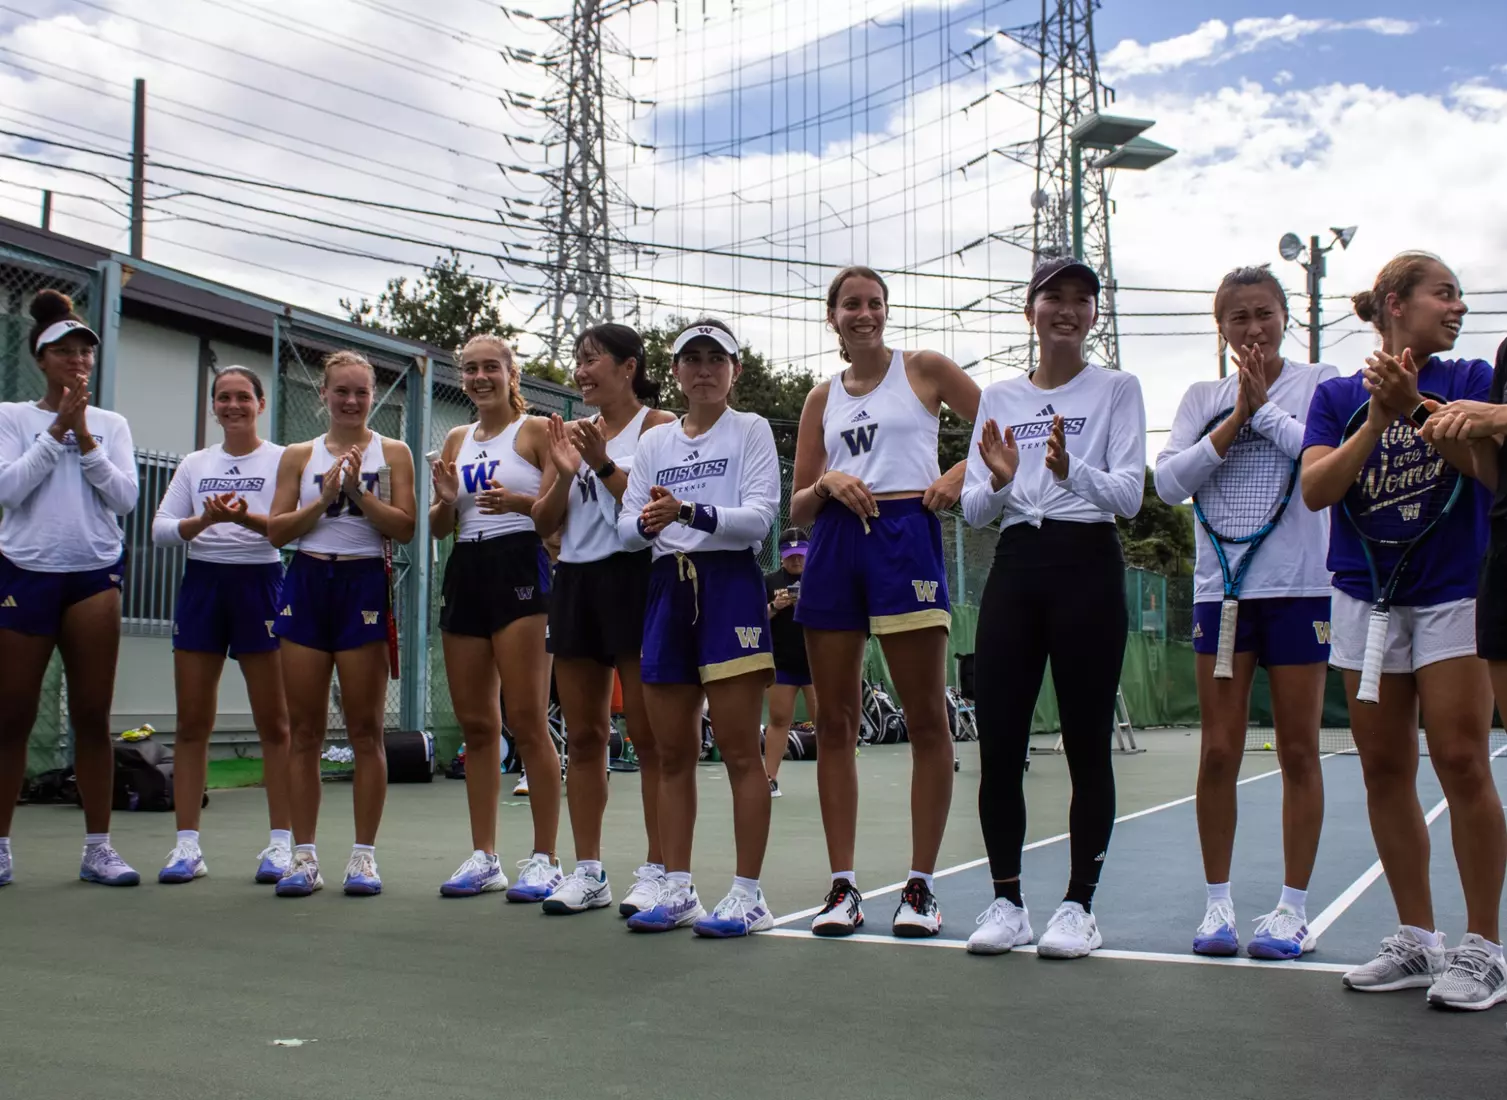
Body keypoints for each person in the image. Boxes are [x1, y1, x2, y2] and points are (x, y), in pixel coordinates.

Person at [1302, 252, 1506, 1009]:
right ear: (1394, 303)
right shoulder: (1332, 398)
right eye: (1442, 294)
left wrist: (1417, 405)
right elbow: (1318, 489)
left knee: (1460, 760)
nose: (1457, 308)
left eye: (1458, 296)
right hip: (1364, 600)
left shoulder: (1471, 381)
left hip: (1454, 593)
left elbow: (1488, 476)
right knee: (1383, 770)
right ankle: (1417, 939)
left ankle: (1482, 946)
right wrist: (1379, 419)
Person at [961, 256, 1145, 959]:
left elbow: (1128, 496)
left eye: (1080, 300)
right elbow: (977, 508)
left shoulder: (1117, 389)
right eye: (1052, 298)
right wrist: (1006, 481)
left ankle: (1078, 906)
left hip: (1086, 565)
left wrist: (1072, 471)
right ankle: (1006, 900)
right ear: (1029, 312)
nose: (1066, 310)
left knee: (1084, 741)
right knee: (999, 744)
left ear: (1093, 315)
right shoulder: (999, 397)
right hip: (1016, 568)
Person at [788, 265, 980, 938]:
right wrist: (830, 482)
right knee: (833, 722)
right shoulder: (821, 398)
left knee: (927, 716)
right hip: (838, 543)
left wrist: (957, 472)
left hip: (907, 535)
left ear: (886, 311)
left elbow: (1001, 424)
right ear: (832, 317)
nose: (862, 313)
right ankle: (842, 886)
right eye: (849, 304)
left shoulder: (924, 369)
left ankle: (920, 888)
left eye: (872, 303)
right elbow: (799, 505)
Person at [1154, 267, 1336, 958]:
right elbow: (1169, 482)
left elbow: (1320, 461)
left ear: (1284, 316)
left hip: (1299, 591)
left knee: (1297, 750)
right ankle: (1216, 908)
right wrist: (1234, 417)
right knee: (1218, 752)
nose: (1252, 327)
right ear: (1220, 328)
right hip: (1220, 597)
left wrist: (1261, 410)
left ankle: (1291, 911)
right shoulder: (1200, 396)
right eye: (1238, 317)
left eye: (1263, 313)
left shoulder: (1320, 383)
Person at [616, 319, 781, 937]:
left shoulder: (752, 430)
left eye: (717, 359)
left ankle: (747, 895)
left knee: (741, 749)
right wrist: (655, 523)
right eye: (693, 359)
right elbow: (625, 529)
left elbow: (759, 520)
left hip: (730, 588)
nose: (705, 369)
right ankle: (678, 887)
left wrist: (686, 511)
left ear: (734, 370)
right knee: (670, 751)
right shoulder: (656, 443)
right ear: (677, 371)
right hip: (666, 590)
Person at [531, 323, 675, 916]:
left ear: (629, 367)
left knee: (650, 737)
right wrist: (566, 470)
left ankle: (660, 869)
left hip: (636, 578)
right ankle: (588, 870)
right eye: (578, 361)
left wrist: (603, 462)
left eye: (593, 360)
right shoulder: (565, 435)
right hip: (577, 582)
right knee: (586, 735)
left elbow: (654, 509)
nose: (582, 371)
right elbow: (543, 522)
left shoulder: (661, 428)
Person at [0, 290, 139, 888]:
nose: (78, 360)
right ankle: (2, 846)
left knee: (91, 714)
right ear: (42, 357)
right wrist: (57, 428)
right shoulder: (12, 417)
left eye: (85, 351)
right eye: (65, 351)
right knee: (11, 716)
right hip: (23, 572)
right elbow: (8, 491)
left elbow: (126, 499)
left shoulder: (111, 425)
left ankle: (98, 848)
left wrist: (85, 439)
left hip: (93, 574)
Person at [267, 350, 416, 898]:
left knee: (365, 730)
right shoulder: (297, 456)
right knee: (303, 730)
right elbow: (277, 532)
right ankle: (303, 856)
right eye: (341, 392)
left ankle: (363, 857)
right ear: (323, 396)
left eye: (361, 392)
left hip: (362, 586)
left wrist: (356, 494)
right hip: (307, 582)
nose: (351, 401)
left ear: (372, 397)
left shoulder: (393, 452)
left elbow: (405, 527)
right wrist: (327, 495)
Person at [430, 334, 563, 903]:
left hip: (520, 564)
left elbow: (558, 518)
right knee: (478, 725)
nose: (480, 377)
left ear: (513, 374)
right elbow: (440, 527)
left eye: (491, 367)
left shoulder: (534, 433)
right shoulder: (457, 439)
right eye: (470, 369)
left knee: (527, 718)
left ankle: (546, 857)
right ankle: (485, 856)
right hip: (467, 567)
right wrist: (442, 499)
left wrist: (519, 505)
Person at [152, 367, 292, 885]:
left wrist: (244, 520)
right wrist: (203, 522)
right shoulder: (196, 463)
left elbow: (289, 527)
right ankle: (186, 845)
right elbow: (162, 527)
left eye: (242, 397)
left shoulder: (281, 459)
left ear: (260, 403)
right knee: (191, 722)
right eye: (223, 398)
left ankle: (281, 843)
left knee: (275, 723)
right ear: (214, 406)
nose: (233, 406)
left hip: (260, 584)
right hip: (203, 585)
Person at [764, 527, 815, 798]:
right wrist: (775, 606)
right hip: (782, 662)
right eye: (790, 554)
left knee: (828, 722)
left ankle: (834, 778)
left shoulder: (820, 578)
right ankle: (769, 779)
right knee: (779, 719)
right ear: (782, 555)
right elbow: (755, 619)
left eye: (801, 554)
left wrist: (809, 602)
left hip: (817, 664)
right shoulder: (770, 581)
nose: (796, 560)